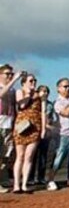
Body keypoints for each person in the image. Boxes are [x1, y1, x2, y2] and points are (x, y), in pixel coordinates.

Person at [12, 72, 46, 194]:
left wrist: (43, 129)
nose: (33, 83)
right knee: (20, 155)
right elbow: (22, 105)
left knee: (29, 156)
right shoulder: (19, 92)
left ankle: (25, 184)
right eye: (31, 81)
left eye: (34, 80)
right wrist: (30, 94)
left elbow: (43, 111)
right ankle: (16, 184)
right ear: (24, 83)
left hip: (35, 126)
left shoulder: (40, 94)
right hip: (22, 126)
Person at [0, 64, 22, 193]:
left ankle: (3, 178)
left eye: (11, 74)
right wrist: (14, 80)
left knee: (6, 154)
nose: (10, 76)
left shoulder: (13, 90)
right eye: (7, 74)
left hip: (9, 124)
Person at [30, 84, 56, 185]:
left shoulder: (50, 105)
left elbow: (50, 118)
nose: (44, 93)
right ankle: (30, 177)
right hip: (34, 131)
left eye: (46, 91)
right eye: (42, 91)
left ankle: (41, 177)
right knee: (32, 156)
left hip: (46, 133)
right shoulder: (34, 103)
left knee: (43, 156)